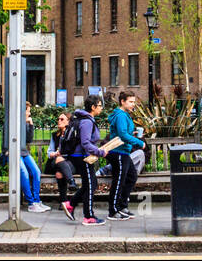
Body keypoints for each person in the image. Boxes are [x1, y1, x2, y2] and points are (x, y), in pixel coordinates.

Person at [65, 94, 108, 225]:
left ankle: (70, 204)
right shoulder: (87, 121)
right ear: (93, 107)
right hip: (82, 158)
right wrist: (100, 152)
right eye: (100, 106)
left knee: (91, 183)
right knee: (90, 185)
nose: (101, 108)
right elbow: (85, 143)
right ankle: (88, 216)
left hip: (82, 157)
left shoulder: (85, 119)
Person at [4, 102, 51, 213]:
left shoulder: (25, 122)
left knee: (36, 172)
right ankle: (31, 203)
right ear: (22, 111)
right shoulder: (12, 122)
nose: (29, 113)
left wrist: (30, 125)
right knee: (24, 173)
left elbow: (29, 140)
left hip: (24, 152)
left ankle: (36, 200)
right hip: (13, 152)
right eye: (28, 110)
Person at [106, 91, 143, 220]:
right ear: (122, 101)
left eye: (134, 101)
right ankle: (113, 210)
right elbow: (122, 135)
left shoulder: (125, 115)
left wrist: (132, 134)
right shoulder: (121, 115)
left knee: (132, 177)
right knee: (119, 181)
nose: (133, 104)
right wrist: (139, 142)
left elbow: (124, 132)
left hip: (124, 152)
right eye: (131, 102)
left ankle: (122, 206)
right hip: (118, 152)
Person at [46, 112, 78, 209]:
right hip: (54, 162)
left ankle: (63, 202)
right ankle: (71, 181)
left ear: (68, 122)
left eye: (62, 119)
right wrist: (55, 154)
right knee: (59, 158)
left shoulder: (73, 135)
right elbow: (49, 152)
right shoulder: (55, 135)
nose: (59, 121)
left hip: (69, 163)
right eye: (58, 119)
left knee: (59, 174)